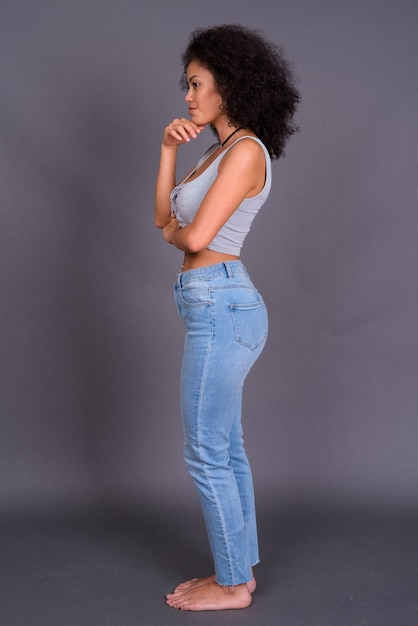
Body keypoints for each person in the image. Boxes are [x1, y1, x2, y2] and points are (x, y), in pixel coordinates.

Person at [154, 24, 300, 611]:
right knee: (226, 446)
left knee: (205, 450)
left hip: (222, 303)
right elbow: (161, 219)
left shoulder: (244, 151)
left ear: (229, 85)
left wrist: (175, 230)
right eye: (186, 85)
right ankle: (241, 570)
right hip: (211, 301)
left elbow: (196, 233)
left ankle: (231, 583)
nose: (188, 96)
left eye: (197, 84)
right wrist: (168, 151)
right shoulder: (216, 150)